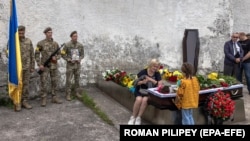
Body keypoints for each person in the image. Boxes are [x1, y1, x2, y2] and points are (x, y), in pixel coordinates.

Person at [7, 25, 35, 111]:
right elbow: (8, 54)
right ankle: (17, 102)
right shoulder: (12, 42)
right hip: (17, 69)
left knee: (26, 84)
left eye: (22, 32)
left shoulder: (28, 41)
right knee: (18, 85)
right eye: (19, 32)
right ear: (17, 32)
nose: (21, 33)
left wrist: (32, 66)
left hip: (27, 67)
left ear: (24, 32)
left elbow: (32, 54)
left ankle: (24, 101)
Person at [127, 58, 162, 125]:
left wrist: (150, 80)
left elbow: (160, 85)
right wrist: (142, 82)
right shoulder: (143, 72)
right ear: (150, 65)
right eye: (154, 66)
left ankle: (138, 117)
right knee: (139, 99)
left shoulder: (157, 73)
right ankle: (133, 117)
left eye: (157, 67)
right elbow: (135, 83)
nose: (155, 68)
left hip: (149, 92)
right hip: (140, 90)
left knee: (145, 100)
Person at [35, 27, 62, 106]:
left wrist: (56, 58)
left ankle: (54, 97)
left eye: (51, 32)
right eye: (48, 32)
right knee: (43, 82)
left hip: (53, 66)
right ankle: (43, 98)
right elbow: (36, 54)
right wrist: (39, 64)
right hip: (45, 66)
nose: (50, 34)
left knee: (54, 82)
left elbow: (60, 54)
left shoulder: (55, 44)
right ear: (45, 34)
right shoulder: (40, 43)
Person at [61, 31, 84, 101]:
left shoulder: (80, 45)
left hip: (77, 65)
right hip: (70, 66)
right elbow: (62, 54)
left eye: (76, 36)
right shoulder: (67, 45)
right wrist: (69, 59)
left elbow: (82, 54)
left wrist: (80, 59)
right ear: (71, 37)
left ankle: (77, 93)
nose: (75, 37)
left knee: (77, 80)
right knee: (69, 80)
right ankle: (68, 94)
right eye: (74, 36)